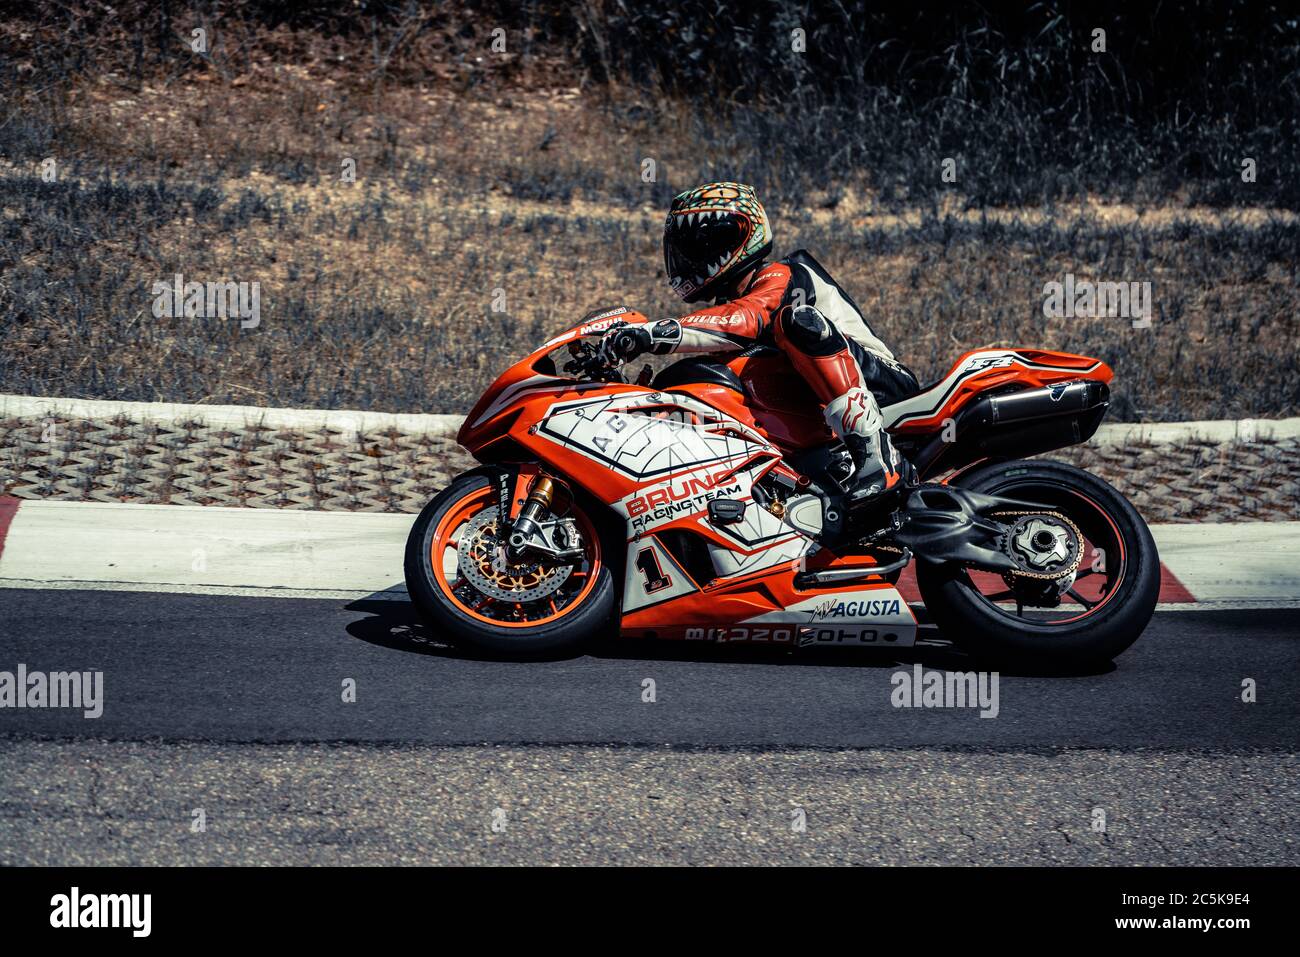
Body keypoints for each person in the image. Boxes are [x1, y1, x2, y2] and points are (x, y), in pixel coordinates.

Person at [599, 181, 920, 508]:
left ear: (733, 237)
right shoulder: (733, 303)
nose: (686, 260)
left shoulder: (781, 275)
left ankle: (878, 457)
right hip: (823, 412)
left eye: (696, 247)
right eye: (680, 250)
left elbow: (746, 319)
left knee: (797, 323)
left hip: (882, 388)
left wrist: (649, 335)